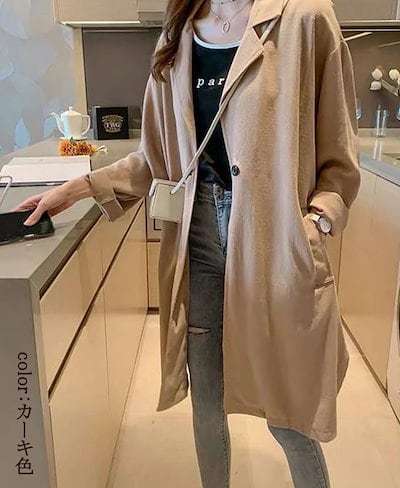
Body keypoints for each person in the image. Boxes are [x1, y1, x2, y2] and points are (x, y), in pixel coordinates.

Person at [16, 0, 361, 486]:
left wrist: (317, 223)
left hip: (275, 242)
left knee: (290, 409)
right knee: (207, 401)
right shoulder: (178, 32)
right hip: (196, 239)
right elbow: (155, 157)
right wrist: (78, 188)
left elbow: (340, 153)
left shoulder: (305, 18)